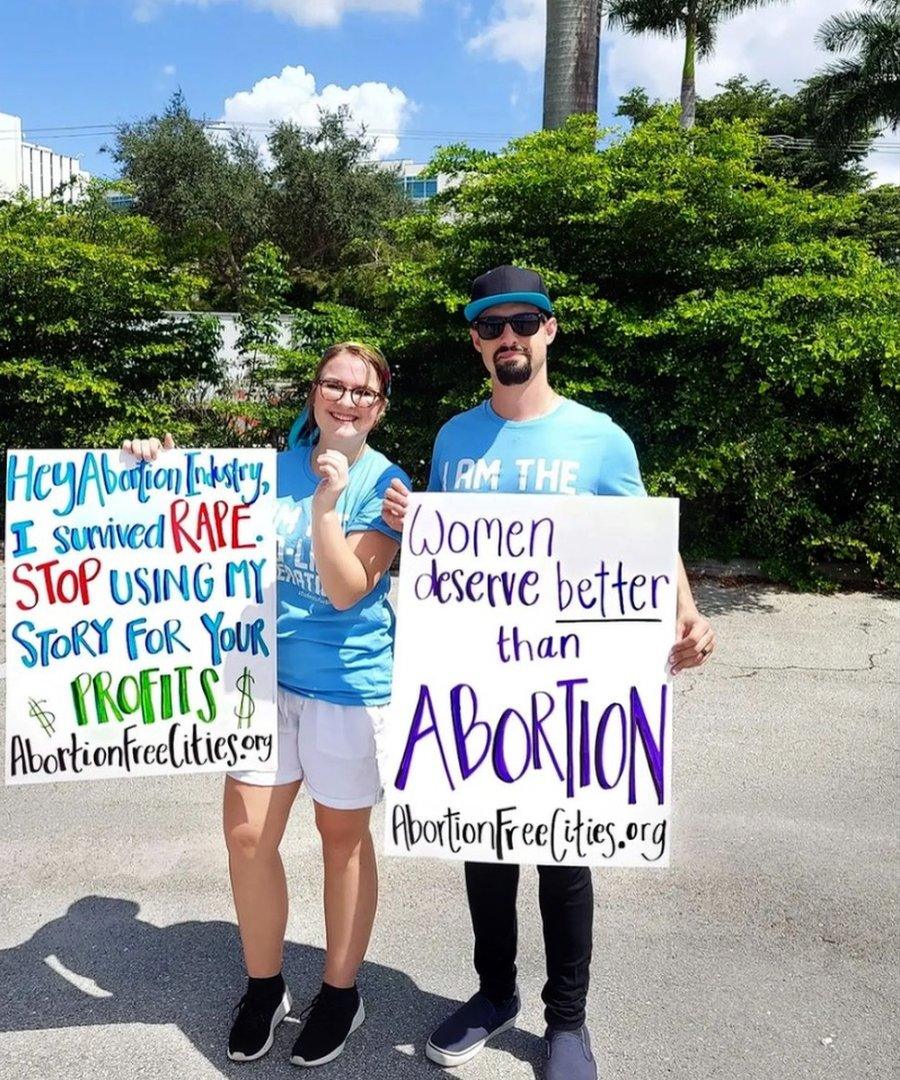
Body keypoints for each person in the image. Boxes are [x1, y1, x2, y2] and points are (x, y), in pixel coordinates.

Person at [382, 266, 715, 1080]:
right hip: (478, 684)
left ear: (550, 331)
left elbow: (642, 537)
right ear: (475, 342)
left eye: (523, 323)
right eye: (492, 327)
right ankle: (495, 995)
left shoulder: (600, 437)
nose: (508, 338)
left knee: (567, 857)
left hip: (569, 688)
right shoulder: (456, 438)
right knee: (486, 850)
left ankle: (568, 1022)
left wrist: (687, 607)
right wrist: (411, 523)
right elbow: (452, 552)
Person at [124, 341, 409, 1068]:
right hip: (258, 677)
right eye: (332, 385)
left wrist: (327, 499)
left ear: (380, 407)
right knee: (249, 838)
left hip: (347, 684)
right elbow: (181, 518)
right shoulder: (265, 470)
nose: (345, 400)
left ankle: (341, 992)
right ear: (314, 393)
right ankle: (264, 985)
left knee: (342, 839)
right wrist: (145, 468)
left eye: (361, 392)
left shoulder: (388, 486)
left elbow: (348, 587)